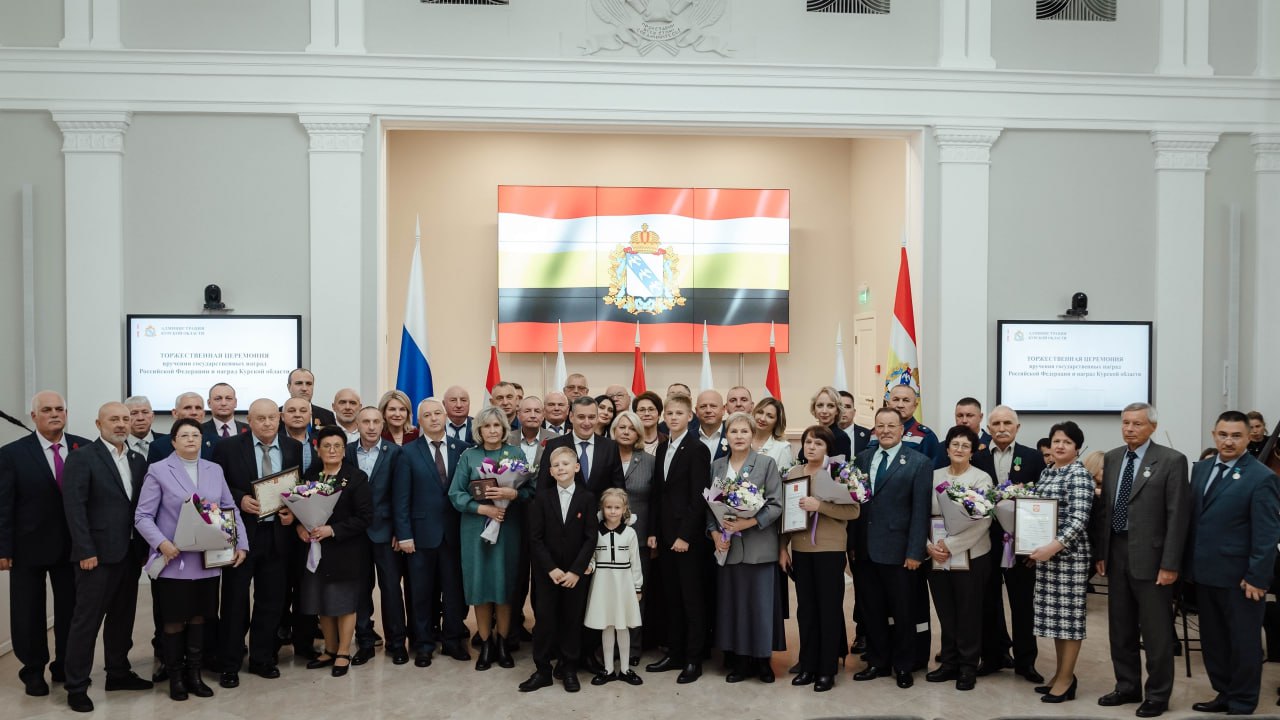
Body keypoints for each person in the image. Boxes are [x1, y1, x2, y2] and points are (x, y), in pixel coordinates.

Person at [134, 417, 248, 701]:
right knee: (174, 621)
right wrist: (161, 543)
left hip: (207, 560)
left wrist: (240, 544)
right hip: (174, 560)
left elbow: (229, 507)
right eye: (184, 435)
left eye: (195, 435)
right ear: (173, 441)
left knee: (200, 618)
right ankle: (176, 677)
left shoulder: (214, 469)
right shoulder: (159, 470)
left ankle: (195, 675)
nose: (191, 440)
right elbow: (142, 516)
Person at [1089, 403, 1189, 718]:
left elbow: (1178, 516)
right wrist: (1101, 554)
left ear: (1152, 427)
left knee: (1156, 630)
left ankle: (1157, 694)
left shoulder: (1172, 461)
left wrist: (1171, 563)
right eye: (1126, 423)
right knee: (1120, 627)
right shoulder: (1114, 457)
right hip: (1116, 552)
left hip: (1154, 558)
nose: (1130, 428)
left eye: (1137, 424)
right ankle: (1127, 686)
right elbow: (1105, 510)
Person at [1185, 411, 1280, 716]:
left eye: (1236, 435)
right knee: (1214, 642)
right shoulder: (1200, 470)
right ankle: (1224, 693)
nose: (1228, 441)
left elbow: (1267, 535)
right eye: (1223, 435)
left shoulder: (1262, 477)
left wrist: (1257, 576)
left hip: (1241, 579)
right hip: (1205, 573)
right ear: (1214, 435)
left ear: (1249, 437)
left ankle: (1242, 700)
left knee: (1243, 643)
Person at [61, 401, 154, 712]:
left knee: (122, 618)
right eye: (113, 419)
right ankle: (76, 685)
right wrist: (85, 551)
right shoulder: (82, 458)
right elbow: (74, 509)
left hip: (129, 554)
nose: (121, 424)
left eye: (125, 419)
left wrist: (142, 549)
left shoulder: (137, 460)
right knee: (87, 621)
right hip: (96, 557)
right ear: (98, 423)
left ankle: (118, 672)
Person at [0, 391, 90, 697]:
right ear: (34, 416)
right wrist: (4, 549)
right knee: (28, 613)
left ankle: (66, 666)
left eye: (60, 409)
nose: (55, 414)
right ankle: (33, 670)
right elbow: (3, 505)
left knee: (71, 611)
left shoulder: (85, 448)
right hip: (28, 548)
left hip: (73, 548)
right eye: (47, 409)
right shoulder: (11, 454)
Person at [213, 398, 304, 688]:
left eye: (271, 418)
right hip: (240, 535)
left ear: (279, 419)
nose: (267, 423)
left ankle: (262, 658)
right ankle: (229, 663)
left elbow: (297, 487)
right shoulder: (228, 448)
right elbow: (215, 484)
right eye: (260, 418)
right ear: (249, 422)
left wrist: (293, 510)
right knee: (234, 601)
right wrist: (240, 498)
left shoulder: (293, 448)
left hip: (277, 535)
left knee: (271, 601)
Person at [279, 426, 373, 678]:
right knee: (321, 599)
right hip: (314, 549)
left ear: (344, 450)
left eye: (337, 446)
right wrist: (299, 526)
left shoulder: (355, 477)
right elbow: (297, 508)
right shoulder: (309, 476)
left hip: (345, 549)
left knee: (343, 601)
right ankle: (329, 649)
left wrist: (332, 530)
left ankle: (343, 651)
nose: (332, 450)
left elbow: (365, 517)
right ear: (318, 450)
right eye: (327, 446)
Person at [850, 407, 931, 689]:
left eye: (891, 426)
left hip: (899, 552)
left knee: (903, 611)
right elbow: (854, 506)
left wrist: (914, 552)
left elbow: (920, 512)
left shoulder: (919, 463)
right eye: (880, 425)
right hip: (865, 550)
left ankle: (904, 665)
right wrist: (852, 548)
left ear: (902, 430)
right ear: (874, 429)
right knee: (871, 610)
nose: (885, 430)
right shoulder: (861, 459)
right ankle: (877, 661)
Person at [448, 407, 534, 670]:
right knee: (480, 586)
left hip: (508, 529)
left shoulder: (515, 454)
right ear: (479, 430)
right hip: (475, 530)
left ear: (504, 429)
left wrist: (514, 495)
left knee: (504, 586)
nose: (493, 430)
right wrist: (482, 508)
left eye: (497, 425)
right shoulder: (469, 456)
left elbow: (530, 490)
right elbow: (456, 494)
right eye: (487, 426)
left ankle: (502, 643)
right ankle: (485, 643)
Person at [779, 425, 859, 693]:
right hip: (801, 550)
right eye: (808, 442)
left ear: (828, 448)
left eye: (818, 443)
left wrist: (820, 506)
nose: (811, 447)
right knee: (807, 611)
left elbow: (854, 511)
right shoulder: (794, 473)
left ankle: (827, 669)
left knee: (828, 610)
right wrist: (783, 548)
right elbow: (786, 516)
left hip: (830, 550)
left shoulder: (838, 473)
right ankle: (808, 665)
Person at [973, 405, 1046, 684]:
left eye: (1007, 423)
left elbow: (1040, 502)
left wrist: (1034, 545)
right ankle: (993, 656)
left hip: (1021, 543)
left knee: (1022, 603)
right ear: (988, 428)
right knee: (987, 601)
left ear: (1017, 427)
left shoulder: (1033, 457)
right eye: (996, 423)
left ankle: (1026, 662)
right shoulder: (977, 457)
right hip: (986, 540)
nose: (1001, 428)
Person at [395, 398, 471, 666]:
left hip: (454, 534)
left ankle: (452, 641)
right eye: (427, 415)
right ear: (420, 421)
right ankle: (423, 644)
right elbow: (401, 498)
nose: (434, 418)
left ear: (445, 416)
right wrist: (404, 535)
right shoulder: (407, 452)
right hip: (420, 535)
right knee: (421, 592)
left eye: (438, 413)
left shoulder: (463, 449)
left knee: (454, 592)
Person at [709, 412, 784, 684]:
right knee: (734, 607)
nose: (738, 436)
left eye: (744, 431)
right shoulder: (717, 466)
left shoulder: (766, 464)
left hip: (758, 547)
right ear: (726, 436)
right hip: (727, 549)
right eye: (733, 431)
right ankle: (740, 662)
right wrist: (714, 532)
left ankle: (763, 662)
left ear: (753, 435)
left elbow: (776, 504)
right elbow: (710, 506)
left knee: (760, 607)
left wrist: (748, 522)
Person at [520, 446, 598, 693]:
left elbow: (590, 538)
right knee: (544, 619)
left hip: (576, 574)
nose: (561, 468)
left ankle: (569, 667)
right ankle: (542, 669)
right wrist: (551, 568)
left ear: (576, 468)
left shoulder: (587, 498)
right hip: (548, 574)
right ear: (551, 472)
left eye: (566, 463)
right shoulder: (542, 498)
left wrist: (576, 570)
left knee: (571, 620)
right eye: (556, 465)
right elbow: (536, 538)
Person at [646, 393, 712, 684]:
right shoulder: (662, 448)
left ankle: (693, 659)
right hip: (665, 536)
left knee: (692, 600)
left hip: (687, 539)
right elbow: (658, 495)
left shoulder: (697, 449)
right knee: (671, 597)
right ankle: (675, 653)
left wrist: (685, 535)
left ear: (690, 417)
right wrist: (653, 532)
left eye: (678, 413)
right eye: (669, 413)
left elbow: (700, 497)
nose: (673, 417)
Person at [1029, 420, 1094, 703]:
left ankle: (1066, 679)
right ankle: (1060, 674)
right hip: (1047, 557)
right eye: (1056, 440)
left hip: (1069, 558)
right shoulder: (1048, 471)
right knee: (1056, 621)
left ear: (1077, 447)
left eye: (1066, 442)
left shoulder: (1078, 474)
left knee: (1069, 622)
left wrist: (1052, 547)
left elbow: (1079, 520)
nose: (1060, 445)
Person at [925, 425, 993, 692]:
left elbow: (982, 521)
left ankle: (967, 667)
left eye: (966, 446)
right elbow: (920, 513)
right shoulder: (932, 476)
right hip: (936, 556)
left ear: (973, 451)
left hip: (971, 556)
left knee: (968, 612)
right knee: (945, 611)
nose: (959, 449)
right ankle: (949, 662)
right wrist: (929, 546)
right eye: (955, 444)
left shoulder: (981, 479)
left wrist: (949, 545)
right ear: (947, 448)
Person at [348, 407, 409, 666]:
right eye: (366, 422)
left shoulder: (395, 453)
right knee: (360, 590)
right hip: (355, 535)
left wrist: (400, 531)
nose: (371, 427)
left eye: (376, 422)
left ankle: (397, 643)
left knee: (391, 589)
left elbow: (401, 495)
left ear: (382, 424)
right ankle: (365, 641)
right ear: (357, 424)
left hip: (386, 533)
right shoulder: (347, 451)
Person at [585, 487, 645, 686]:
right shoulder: (596, 532)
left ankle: (626, 669)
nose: (612, 511)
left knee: (622, 626)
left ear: (624, 509)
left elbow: (635, 563)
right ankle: (608, 669)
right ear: (602, 508)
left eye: (617, 507)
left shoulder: (630, 534)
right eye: (608, 507)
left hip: (624, 585)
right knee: (607, 625)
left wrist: (637, 587)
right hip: (603, 583)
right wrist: (590, 566)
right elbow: (592, 556)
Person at [611, 409, 655, 665]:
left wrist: (652, 533)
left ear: (638, 433)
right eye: (621, 427)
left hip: (638, 540)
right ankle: (609, 645)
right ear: (614, 430)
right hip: (607, 539)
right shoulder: (605, 458)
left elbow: (656, 500)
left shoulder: (648, 461)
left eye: (631, 428)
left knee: (637, 594)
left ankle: (633, 648)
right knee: (609, 593)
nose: (626, 432)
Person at [537, 396, 625, 497]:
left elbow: (619, 489)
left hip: (600, 511)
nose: (586, 422)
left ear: (597, 418)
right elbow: (543, 488)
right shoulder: (554, 446)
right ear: (571, 417)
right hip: (563, 511)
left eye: (591, 417)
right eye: (581, 417)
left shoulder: (610, 447)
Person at [869, 385, 940, 464]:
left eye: (906, 400)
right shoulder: (874, 433)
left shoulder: (925, 436)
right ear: (888, 403)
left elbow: (931, 469)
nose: (900, 405)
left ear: (915, 406)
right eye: (896, 400)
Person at [147, 392, 211, 462]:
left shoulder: (217, 444)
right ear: (175, 413)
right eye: (187, 408)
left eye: (198, 408)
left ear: (203, 414)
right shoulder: (158, 446)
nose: (194, 412)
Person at [798, 386, 852, 462]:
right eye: (820, 405)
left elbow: (839, 471)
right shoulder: (810, 434)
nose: (824, 411)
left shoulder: (841, 438)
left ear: (837, 410)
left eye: (830, 406)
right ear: (814, 409)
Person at [510, 395, 554, 468]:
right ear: (518, 415)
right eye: (527, 411)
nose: (533, 415)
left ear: (543, 415)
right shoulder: (507, 439)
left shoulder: (555, 439)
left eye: (537, 411)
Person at [751, 397, 794, 470]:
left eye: (770, 416)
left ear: (777, 422)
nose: (762, 419)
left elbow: (785, 479)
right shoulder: (743, 440)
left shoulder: (783, 447)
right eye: (760, 412)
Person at [281, 396, 316, 473]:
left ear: (310, 416)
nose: (297, 415)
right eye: (291, 411)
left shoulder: (319, 441)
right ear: (282, 416)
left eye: (303, 411)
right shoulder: (274, 441)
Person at [696, 389, 729, 461]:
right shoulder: (688, 437)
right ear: (697, 411)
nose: (708, 410)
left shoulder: (733, 436)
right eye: (703, 406)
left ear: (723, 410)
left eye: (713, 406)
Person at [837, 390, 871, 455]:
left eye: (847, 407)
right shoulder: (827, 434)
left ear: (854, 412)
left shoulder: (867, 435)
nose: (843, 411)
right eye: (840, 406)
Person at [633, 391, 666, 455]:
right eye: (642, 410)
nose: (646, 414)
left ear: (659, 414)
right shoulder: (629, 442)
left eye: (651, 409)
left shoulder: (669, 442)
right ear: (635, 414)